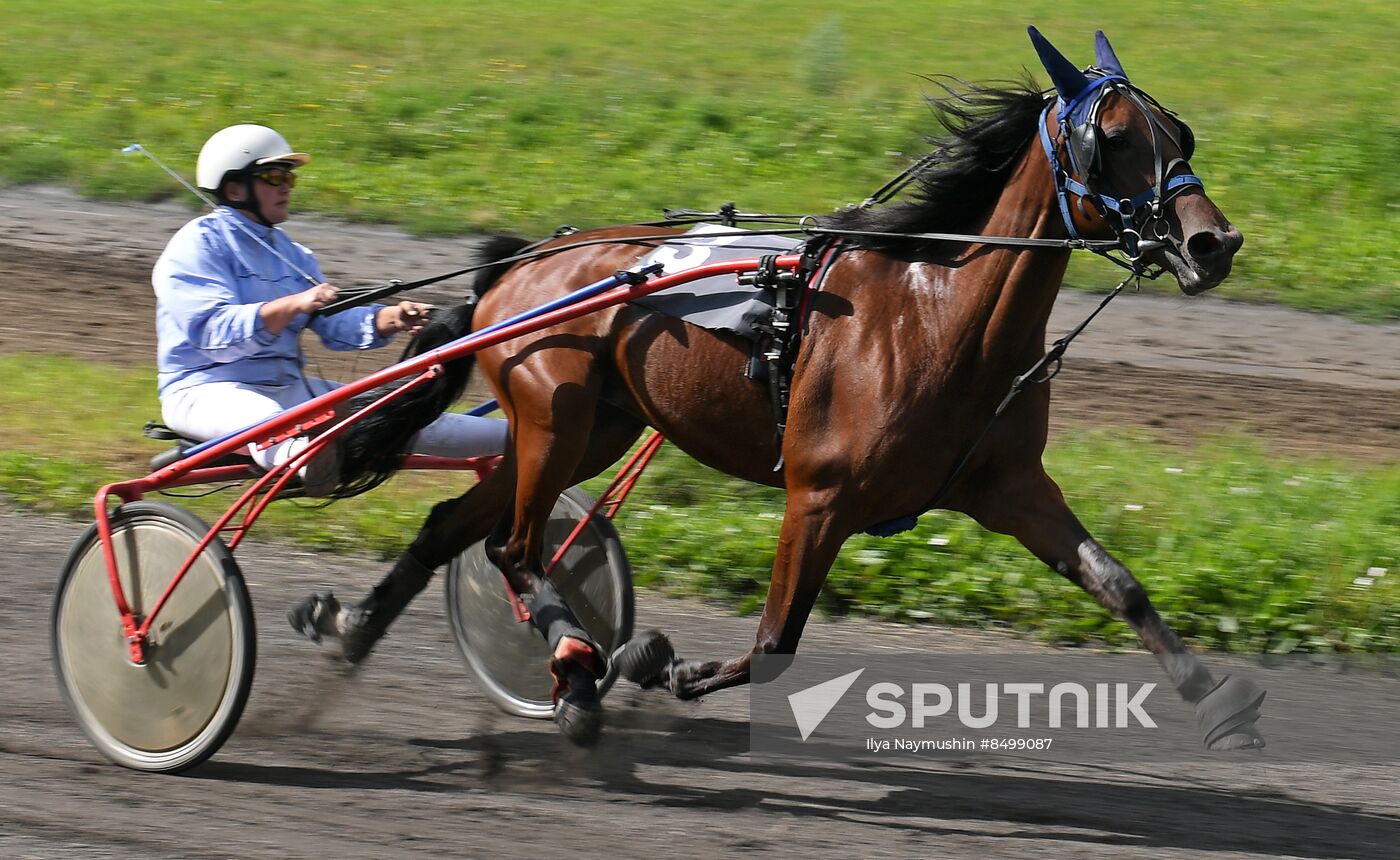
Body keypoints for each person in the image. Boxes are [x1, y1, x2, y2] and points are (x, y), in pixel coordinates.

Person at [153, 124, 508, 496]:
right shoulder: (196, 245)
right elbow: (213, 333)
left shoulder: (290, 253)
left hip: (288, 390)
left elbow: (335, 321)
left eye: (290, 177)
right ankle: (308, 461)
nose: (287, 186)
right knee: (268, 421)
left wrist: (391, 318)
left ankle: (520, 435)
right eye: (274, 176)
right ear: (235, 189)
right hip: (203, 392)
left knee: (404, 415)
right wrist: (292, 304)